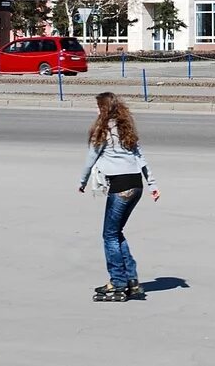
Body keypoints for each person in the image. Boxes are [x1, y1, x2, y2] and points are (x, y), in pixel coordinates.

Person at [78, 92, 160, 302]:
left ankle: (117, 282)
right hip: (136, 185)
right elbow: (140, 158)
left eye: (97, 106)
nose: (95, 110)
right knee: (116, 232)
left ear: (103, 108)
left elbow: (91, 157)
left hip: (121, 187)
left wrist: (82, 181)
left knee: (109, 235)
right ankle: (131, 280)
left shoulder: (103, 129)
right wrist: (152, 185)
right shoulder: (126, 128)